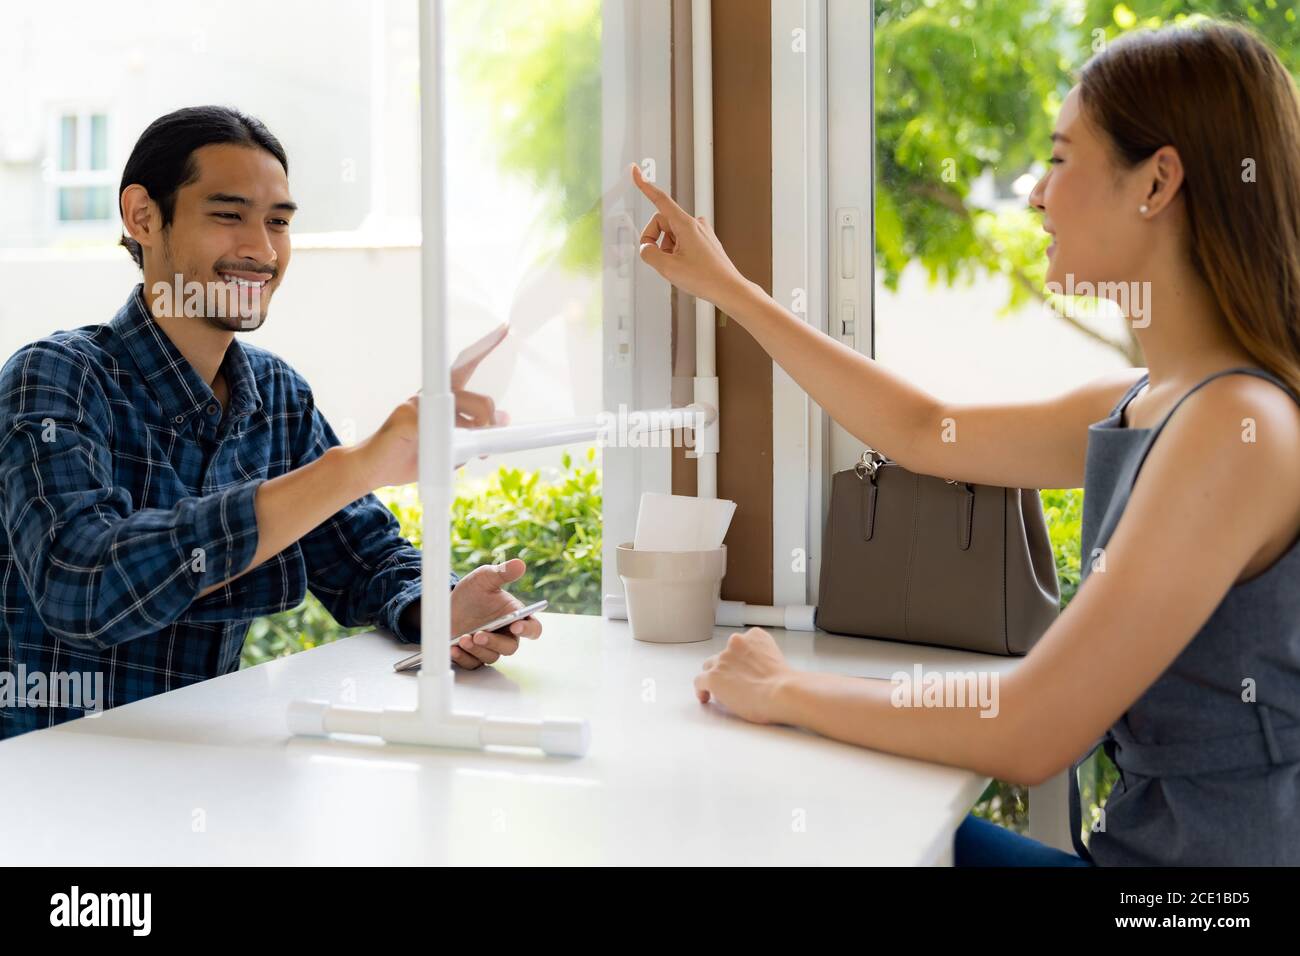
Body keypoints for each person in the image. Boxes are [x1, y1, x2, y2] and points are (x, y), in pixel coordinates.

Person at [631, 20, 1300, 865]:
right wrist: (729, 290)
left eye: (1060, 159)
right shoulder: (1153, 401)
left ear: (1157, 182)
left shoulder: (1236, 432)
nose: (1035, 194)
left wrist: (787, 688)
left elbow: (1032, 731)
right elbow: (922, 431)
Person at [0, 106, 537, 741]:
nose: (261, 250)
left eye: (278, 222)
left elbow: (362, 559)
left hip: (208, 767)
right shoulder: (53, 378)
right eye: (228, 215)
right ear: (143, 216)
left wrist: (441, 607)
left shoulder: (277, 394)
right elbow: (81, 586)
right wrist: (353, 466)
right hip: (46, 776)